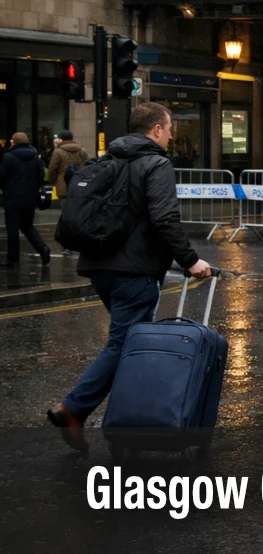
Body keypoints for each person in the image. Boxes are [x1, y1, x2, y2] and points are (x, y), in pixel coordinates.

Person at [46, 103, 213, 452]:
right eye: (168, 129)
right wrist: (191, 260)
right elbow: (164, 219)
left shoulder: (107, 160)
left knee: (125, 345)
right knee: (124, 344)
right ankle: (76, 408)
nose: (170, 136)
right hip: (133, 271)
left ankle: (116, 420)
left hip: (98, 267)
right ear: (155, 130)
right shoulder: (156, 163)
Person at [0, 132, 52, 267]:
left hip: (12, 198)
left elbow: (2, 176)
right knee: (27, 226)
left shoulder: (9, 156)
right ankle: (43, 248)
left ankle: (13, 259)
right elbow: (41, 176)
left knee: (12, 229)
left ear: (13, 142)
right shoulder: (35, 157)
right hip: (30, 198)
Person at [46, 131, 89, 202]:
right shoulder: (82, 150)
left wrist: (53, 181)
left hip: (62, 183)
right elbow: (88, 166)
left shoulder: (58, 151)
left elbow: (52, 168)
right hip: (79, 182)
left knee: (64, 205)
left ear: (61, 139)